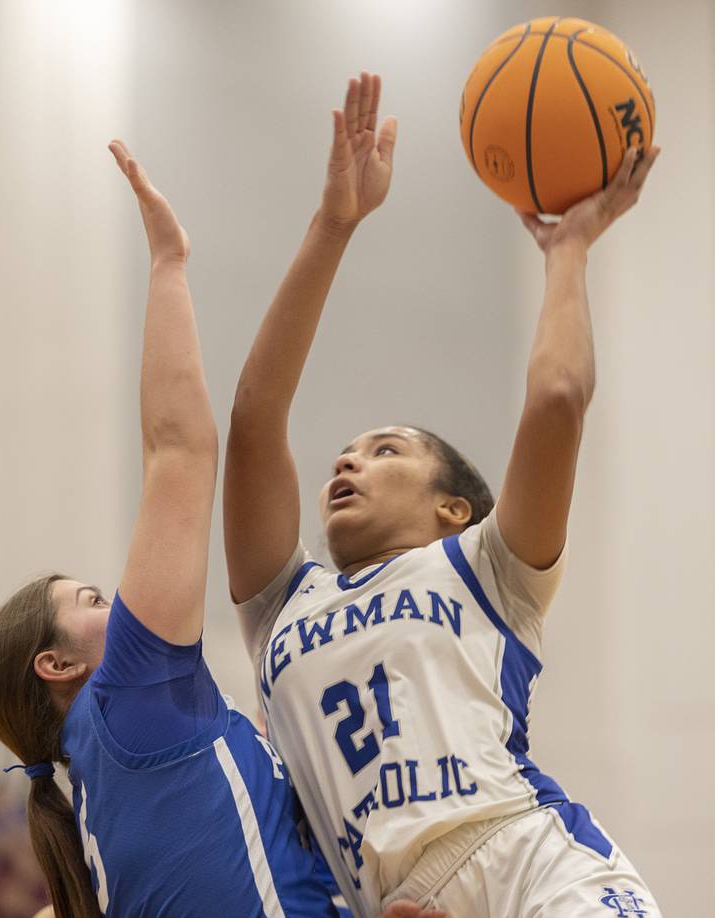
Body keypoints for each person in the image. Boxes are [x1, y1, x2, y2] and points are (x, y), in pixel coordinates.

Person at [224, 71, 663, 917]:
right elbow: (254, 419)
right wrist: (332, 225)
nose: (346, 464)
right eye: (342, 455)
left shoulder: (487, 570)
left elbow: (558, 400)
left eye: (384, 450)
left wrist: (566, 250)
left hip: (540, 870)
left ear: (453, 508)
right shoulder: (281, 604)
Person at [0, 141, 442, 918]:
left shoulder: (99, 793)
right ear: (57, 664)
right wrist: (167, 264)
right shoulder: (126, 697)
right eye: (89, 598)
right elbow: (178, 449)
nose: (114, 602)